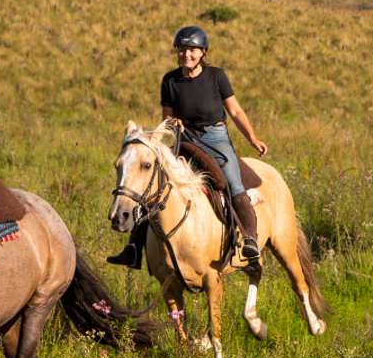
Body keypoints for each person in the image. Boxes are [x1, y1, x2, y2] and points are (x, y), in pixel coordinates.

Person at [107, 25, 268, 269]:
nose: (187, 55)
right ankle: (134, 248)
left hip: (216, 138)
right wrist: (174, 123)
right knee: (155, 185)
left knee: (233, 183)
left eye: (192, 50)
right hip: (186, 140)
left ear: (203, 52)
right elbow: (167, 119)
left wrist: (253, 139)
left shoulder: (216, 76)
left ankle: (249, 239)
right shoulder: (170, 81)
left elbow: (235, 111)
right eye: (182, 50)